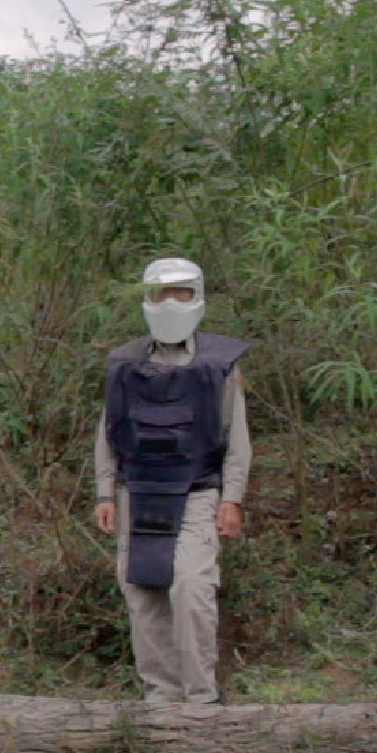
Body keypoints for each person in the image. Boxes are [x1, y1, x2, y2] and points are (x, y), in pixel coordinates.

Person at [93, 258, 250, 706]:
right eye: (163, 293)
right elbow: (107, 432)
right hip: (135, 494)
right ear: (149, 298)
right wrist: (105, 492)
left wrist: (232, 498)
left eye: (180, 292)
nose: (171, 301)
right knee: (142, 594)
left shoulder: (218, 365)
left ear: (196, 296)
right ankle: (160, 699)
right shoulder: (124, 364)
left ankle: (200, 699)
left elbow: (237, 437)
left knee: (192, 588)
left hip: (198, 492)